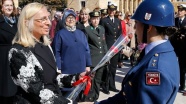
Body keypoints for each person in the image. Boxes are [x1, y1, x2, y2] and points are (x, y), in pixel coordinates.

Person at [84, 0, 180, 103]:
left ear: (149, 27)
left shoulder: (156, 70)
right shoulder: (157, 51)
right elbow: (126, 97)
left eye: (137, 23)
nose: (134, 28)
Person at [8, 2, 83, 103]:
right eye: (43, 19)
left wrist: (77, 78)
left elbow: (53, 79)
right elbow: (36, 91)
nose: (49, 22)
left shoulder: (45, 45)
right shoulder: (18, 52)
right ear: (26, 22)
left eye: (48, 18)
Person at [52, 9, 91, 77]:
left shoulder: (81, 33)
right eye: (68, 18)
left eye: (72, 17)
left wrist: (88, 65)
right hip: (67, 69)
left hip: (81, 68)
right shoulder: (60, 34)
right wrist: (58, 67)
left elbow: (86, 50)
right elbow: (56, 52)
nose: (71, 20)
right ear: (64, 19)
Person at [83, 11, 108, 101]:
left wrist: (106, 56)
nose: (96, 21)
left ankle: (96, 97)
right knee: (91, 81)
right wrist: (87, 62)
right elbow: (85, 46)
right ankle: (90, 97)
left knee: (98, 80)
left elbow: (104, 43)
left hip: (101, 59)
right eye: (94, 19)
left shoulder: (102, 28)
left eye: (97, 19)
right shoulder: (87, 29)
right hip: (92, 59)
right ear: (91, 19)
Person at [100, 3, 122, 94]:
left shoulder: (117, 21)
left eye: (113, 10)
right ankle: (105, 86)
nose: (112, 12)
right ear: (108, 10)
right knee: (107, 68)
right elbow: (102, 35)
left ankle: (112, 86)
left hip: (116, 48)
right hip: (108, 47)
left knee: (113, 68)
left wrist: (120, 46)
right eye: (110, 10)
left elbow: (119, 34)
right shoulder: (104, 20)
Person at [0, 0, 18, 103]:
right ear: (2, 7)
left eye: (11, 5)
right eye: (6, 5)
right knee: (6, 88)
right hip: (3, 58)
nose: (9, 7)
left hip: (16, 57)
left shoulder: (17, 21)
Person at [172, 4, 186, 92]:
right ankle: (181, 85)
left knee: (183, 67)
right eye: (179, 10)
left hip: (185, 48)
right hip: (176, 47)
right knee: (176, 67)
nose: (179, 12)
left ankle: (183, 86)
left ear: (185, 12)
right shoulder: (175, 20)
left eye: (181, 10)